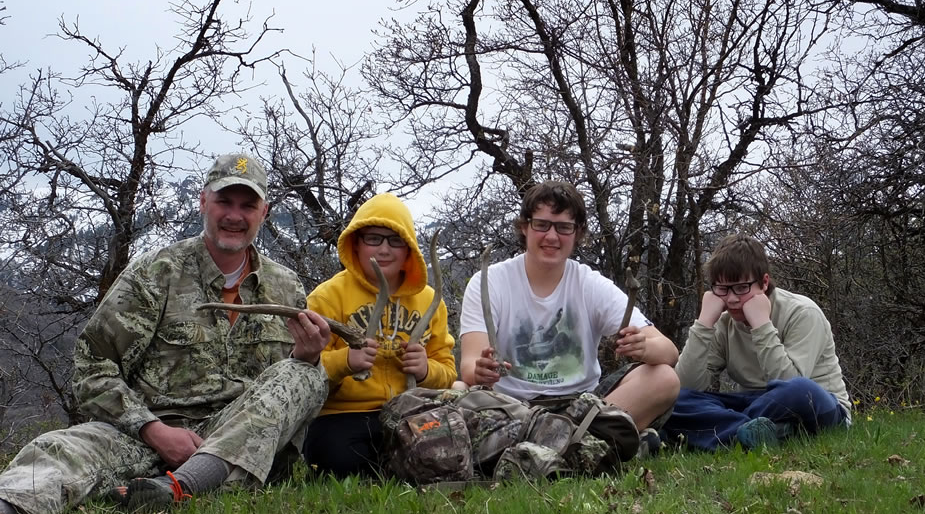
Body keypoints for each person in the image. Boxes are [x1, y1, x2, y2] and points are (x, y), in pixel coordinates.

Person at [0, 153, 331, 514]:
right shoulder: (154, 273)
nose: (234, 216)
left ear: (264, 212)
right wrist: (153, 430)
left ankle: (184, 484)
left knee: (305, 373)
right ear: (204, 201)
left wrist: (307, 355)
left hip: (240, 439)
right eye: (224, 201)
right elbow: (92, 368)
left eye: (247, 205)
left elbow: (284, 394)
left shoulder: (285, 287)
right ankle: (8, 513)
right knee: (58, 448)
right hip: (146, 434)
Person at [458, 180, 680, 435]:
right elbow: (469, 366)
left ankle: (558, 441)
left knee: (664, 378)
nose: (552, 236)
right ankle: (589, 444)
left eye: (564, 228)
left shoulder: (590, 283)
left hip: (582, 406)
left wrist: (645, 347)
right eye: (541, 225)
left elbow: (669, 353)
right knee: (458, 391)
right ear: (524, 227)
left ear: (578, 233)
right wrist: (481, 371)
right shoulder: (489, 281)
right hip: (510, 409)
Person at [302, 194, 457, 478]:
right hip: (343, 415)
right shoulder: (326, 297)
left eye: (396, 240)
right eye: (374, 238)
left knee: (452, 454)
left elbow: (447, 371)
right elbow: (303, 370)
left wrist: (425, 370)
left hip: (412, 412)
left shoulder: (431, 302)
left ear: (409, 249)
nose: (384, 249)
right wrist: (345, 361)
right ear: (357, 243)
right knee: (339, 461)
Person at [663, 232, 851, 451]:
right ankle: (755, 433)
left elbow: (790, 381)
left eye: (741, 288)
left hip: (819, 408)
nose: (732, 299)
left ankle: (724, 432)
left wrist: (761, 325)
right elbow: (686, 386)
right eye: (722, 289)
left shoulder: (802, 312)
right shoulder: (723, 323)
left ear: (764, 282)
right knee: (673, 399)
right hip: (754, 405)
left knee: (799, 389)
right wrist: (704, 324)